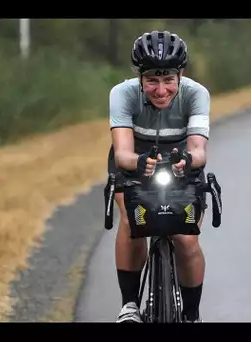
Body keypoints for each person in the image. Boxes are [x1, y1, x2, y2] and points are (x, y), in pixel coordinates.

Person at [108, 30, 210, 323]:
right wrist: (139, 162)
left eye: (168, 80)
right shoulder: (122, 94)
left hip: (182, 161)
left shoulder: (196, 94)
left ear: (181, 75)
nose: (161, 89)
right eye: (152, 79)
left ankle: (191, 315)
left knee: (186, 237)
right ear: (140, 78)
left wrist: (188, 160)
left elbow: (199, 151)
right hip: (135, 161)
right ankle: (129, 305)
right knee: (132, 221)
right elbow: (121, 154)